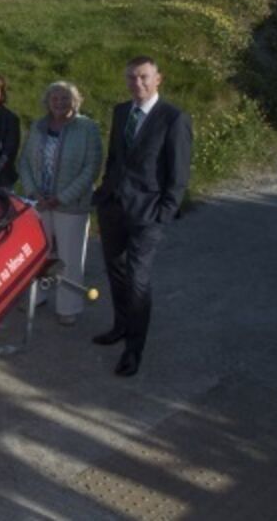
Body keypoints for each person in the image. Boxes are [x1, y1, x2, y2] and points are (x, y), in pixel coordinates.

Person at [92, 57, 193, 377]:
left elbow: (179, 174)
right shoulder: (122, 111)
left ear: (158, 79)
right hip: (114, 208)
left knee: (138, 280)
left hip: (147, 213)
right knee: (116, 272)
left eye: (144, 77)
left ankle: (134, 350)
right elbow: (114, 158)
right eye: (132, 78)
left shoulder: (173, 118)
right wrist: (105, 192)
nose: (138, 83)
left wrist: (164, 214)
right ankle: (121, 326)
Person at [17, 81, 102, 326]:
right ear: (47, 102)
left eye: (65, 98)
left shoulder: (87, 128)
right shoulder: (38, 126)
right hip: (40, 202)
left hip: (71, 205)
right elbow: (24, 162)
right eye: (55, 98)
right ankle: (38, 296)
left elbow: (91, 168)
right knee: (39, 254)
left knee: (69, 258)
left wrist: (61, 197)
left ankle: (69, 306)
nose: (60, 103)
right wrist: (33, 192)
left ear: (75, 101)